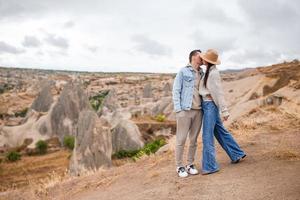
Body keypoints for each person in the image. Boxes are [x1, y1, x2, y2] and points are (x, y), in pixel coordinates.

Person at [199, 49, 246, 175]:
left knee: (207, 136)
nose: (201, 59)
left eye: (203, 58)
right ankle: (237, 154)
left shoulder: (213, 73)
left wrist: (224, 111)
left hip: (210, 106)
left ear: (207, 61)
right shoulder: (208, 71)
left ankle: (210, 166)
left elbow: (218, 93)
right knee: (220, 131)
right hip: (208, 105)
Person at [172, 49, 204, 178]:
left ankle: (190, 164)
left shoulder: (202, 73)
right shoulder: (183, 71)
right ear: (194, 57)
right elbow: (176, 90)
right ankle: (179, 166)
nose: (203, 58)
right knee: (181, 140)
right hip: (185, 111)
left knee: (193, 140)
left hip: (199, 111)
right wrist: (178, 110)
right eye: (200, 56)